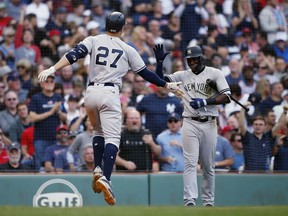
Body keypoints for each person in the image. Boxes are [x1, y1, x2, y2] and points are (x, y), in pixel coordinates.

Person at [38, 11, 182, 206]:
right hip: (110, 93)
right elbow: (146, 74)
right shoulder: (127, 48)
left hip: (90, 94)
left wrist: (52, 69)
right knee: (113, 138)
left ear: (106, 25)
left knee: (97, 131)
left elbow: (74, 55)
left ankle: (97, 168)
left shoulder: (94, 39)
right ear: (123, 29)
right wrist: (166, 84)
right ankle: (105, 176)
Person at [154, 44, 231, 206]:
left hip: (209, 122)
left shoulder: (214, 73)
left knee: (208, 165)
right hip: (189, 121)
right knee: (189, 163)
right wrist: (160, 63)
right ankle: (189, 200)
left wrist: (206, 101)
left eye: (194, 59)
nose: (191, 62)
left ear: (201, 58)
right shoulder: (183, 75)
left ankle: (208, 201)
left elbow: (226, 97)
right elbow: (160, 81)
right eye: (189, 59)